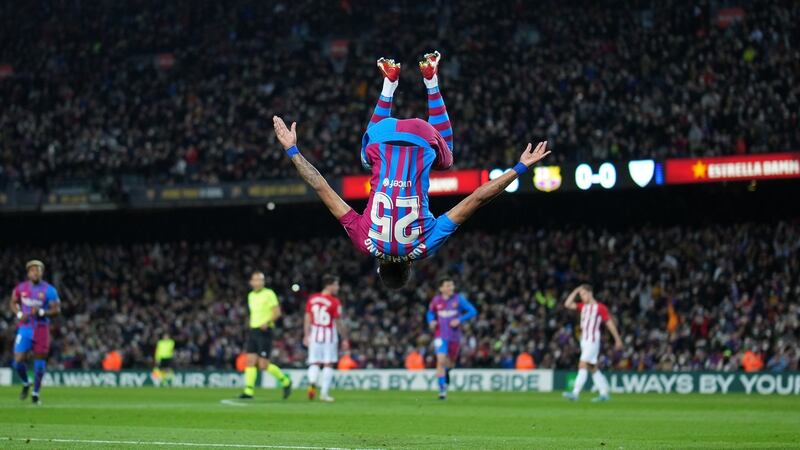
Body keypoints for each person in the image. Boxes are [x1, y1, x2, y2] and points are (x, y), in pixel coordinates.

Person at [272, 50, 551, 289]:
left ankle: (430, 80)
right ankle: (388, 85)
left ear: (409, 268)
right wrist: (292, 149)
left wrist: (520, 167)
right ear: (380, 267)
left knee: (447, 161)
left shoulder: (425, 246)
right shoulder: (363, 240)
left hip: (421, 134)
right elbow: (321, 185)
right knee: (366, 159)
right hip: (382, 134)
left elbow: (477, 197)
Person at [9, 260, 60, 405]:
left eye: (38, 270)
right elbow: (13, 302)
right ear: (28, 273)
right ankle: (26, 383)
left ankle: (36, 394)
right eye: (32, 270)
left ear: (42, 272)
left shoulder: (49, 290)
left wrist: (43, 311)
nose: (35, 273)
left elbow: (57, 309)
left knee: (39, 366)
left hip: (41, 329)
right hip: (24, 328)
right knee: (17, 362)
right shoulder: (21, 288)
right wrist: (19, 314)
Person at [562, 285, 623, 402]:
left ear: (590, 293)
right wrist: (575, 290)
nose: (582, 297)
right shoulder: (583, 307)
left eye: (584, 294)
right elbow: (567, 304)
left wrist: (617, 339)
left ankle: (575, 393)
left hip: (592, 340)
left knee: (582, 364)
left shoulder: (600, 308)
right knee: (592, 368)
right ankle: (604, 393)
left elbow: (609, 323)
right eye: (581, 295)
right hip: (584, 341)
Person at [239, 272, 292, 400]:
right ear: (251, 282)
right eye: (256, 280)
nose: (258, 282)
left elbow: (277, 312)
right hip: (254, 330)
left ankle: (285, 381)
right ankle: (248, 391)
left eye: (261, 280)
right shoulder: (250, 295)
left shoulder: (269, 294)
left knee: (263, 365)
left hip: (265, 331)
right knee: (250, 361)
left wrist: (267, 322)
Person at [426, 276, 476, 400]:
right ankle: (442, 391)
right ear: (441, 288)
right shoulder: (436, 300)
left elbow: (473, 311)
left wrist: (459, 319)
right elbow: (430, 312)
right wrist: (431, 321)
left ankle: (447, 372)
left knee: (451, 363)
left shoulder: (459, 299)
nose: (451, 288)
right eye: (448, 285)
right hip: (440, 335)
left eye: (452, 285)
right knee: (441, 361)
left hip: (454, 336)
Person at [304, 274, 349, 402]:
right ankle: (324, 393)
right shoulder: (334, 301)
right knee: (328, 364)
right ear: (329, 285)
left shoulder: (312, 299)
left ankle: (312, 382)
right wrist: (345, 338)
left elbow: (307, 318)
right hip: (329, 335)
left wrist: (306, 335)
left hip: (315, 334)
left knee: (314, 362)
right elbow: (339, 322)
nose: (338, 287)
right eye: (336, 285)